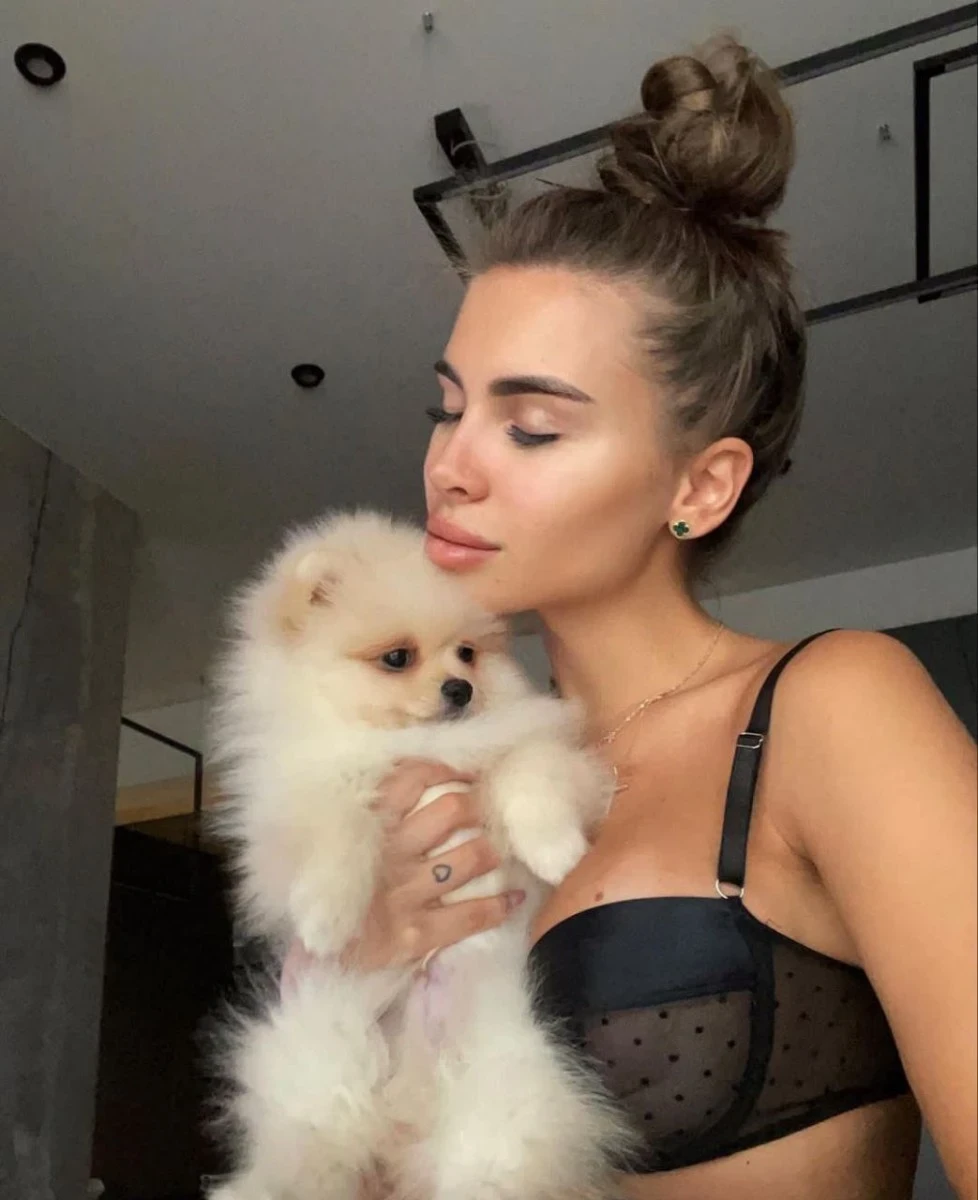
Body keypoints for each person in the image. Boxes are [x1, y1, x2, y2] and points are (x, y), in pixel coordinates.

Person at [294, 35, 977, 1200]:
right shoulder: (460, 785)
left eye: (531, 426)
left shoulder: (829, 707)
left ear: (699, 485)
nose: (450, 466)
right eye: (448, 409)